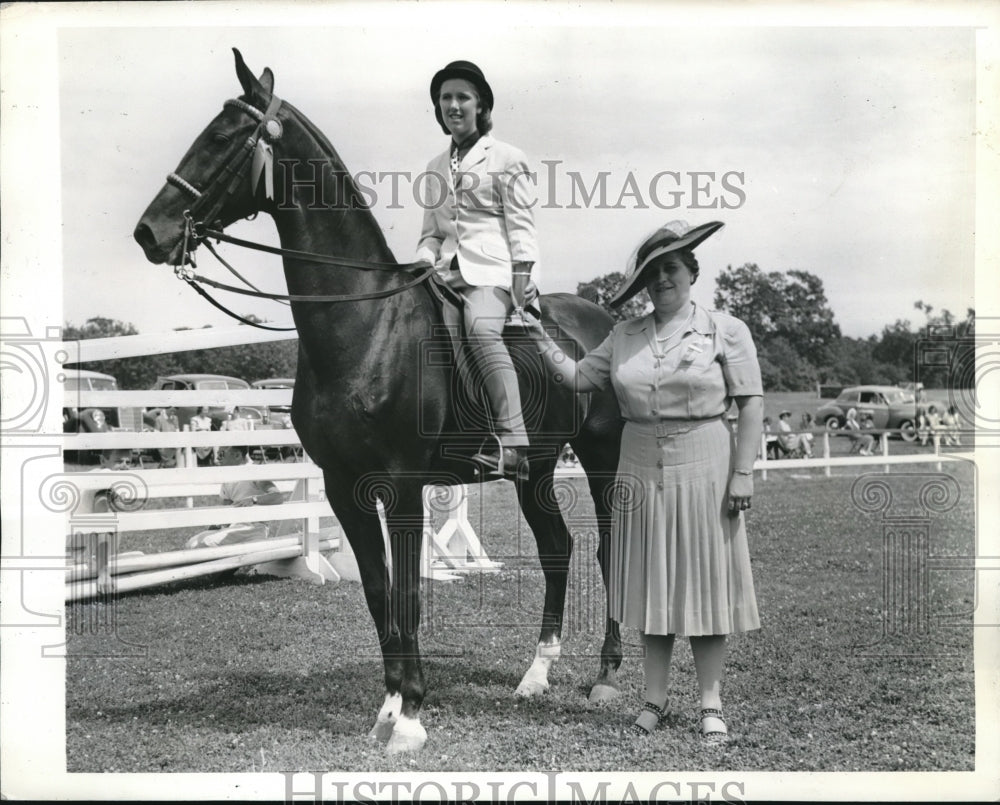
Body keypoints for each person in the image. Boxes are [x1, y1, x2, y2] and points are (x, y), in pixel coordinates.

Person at [524, 220, 762, 745]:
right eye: (652, 273)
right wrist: (538, 334)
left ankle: (710, 703)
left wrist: (742, 473)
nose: (662, 280)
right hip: (637, 461)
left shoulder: (727, 329)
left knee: (703, 582)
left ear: (691, 272)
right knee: (652, 582)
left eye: (671, 269)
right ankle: (653, 700)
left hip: (704, 457)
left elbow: (750, 405)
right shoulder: (625, 334)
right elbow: (579, 377)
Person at [415, 60, 538, 481]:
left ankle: (515, 443)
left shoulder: (506, 157)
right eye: (445, 98)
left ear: (480, 104)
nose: (453, 105)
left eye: (462, 97)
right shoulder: (434, 166)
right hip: (445, 275)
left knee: (482, 328)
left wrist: (521, 276)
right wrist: (422, 263)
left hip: (491, 275)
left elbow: (521, 224)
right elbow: (431, 234)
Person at [185, 444, 284, 549]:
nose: (217, 458)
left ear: (237, 455)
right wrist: (219, 525)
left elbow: (278, 496)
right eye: (217, 454)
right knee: (192, 543)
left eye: (222, 454)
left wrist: (254, 499)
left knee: (204, 543)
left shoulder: (253, 471)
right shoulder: (228, 476)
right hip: (234, 528)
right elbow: (227, 511)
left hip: (253, 528)